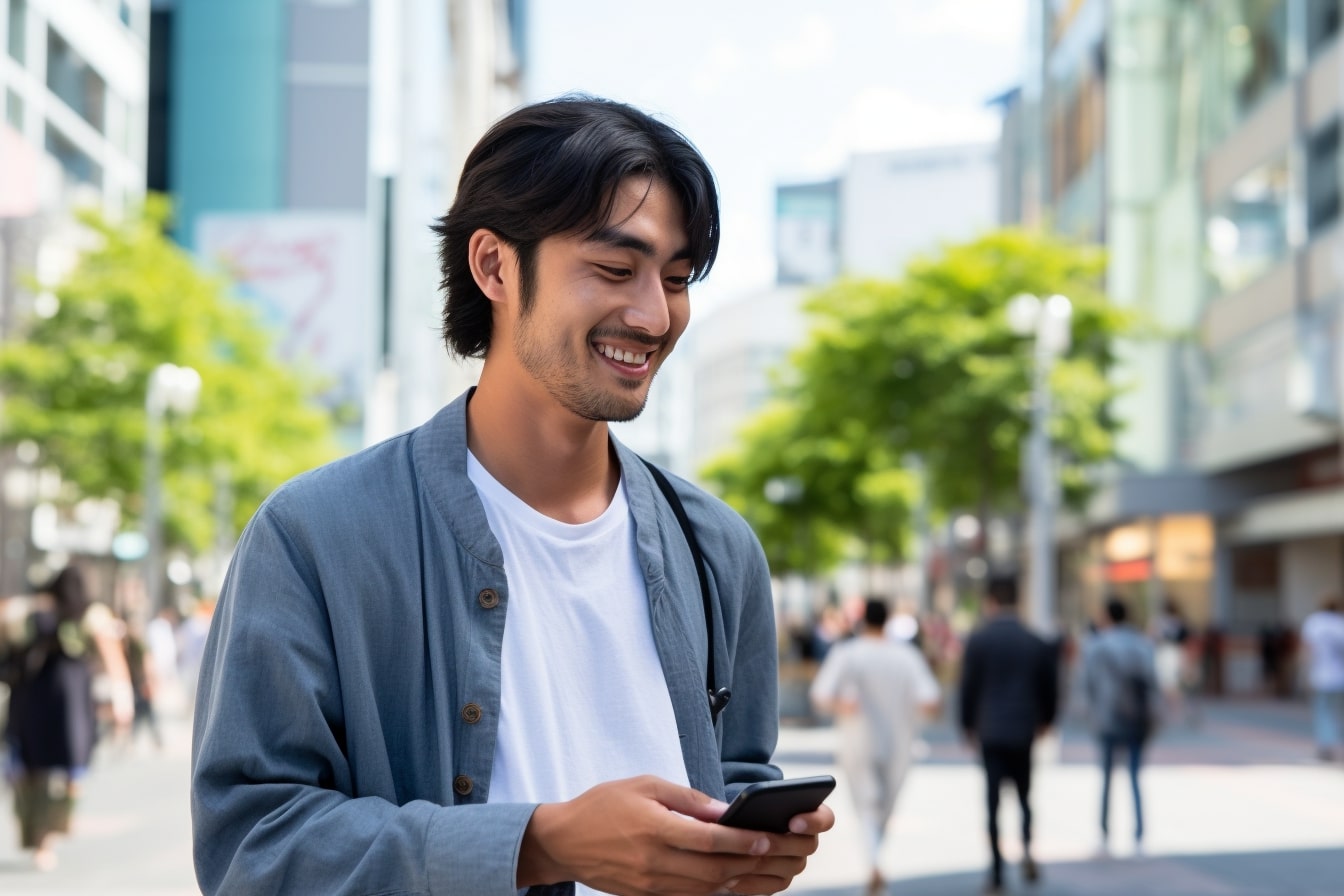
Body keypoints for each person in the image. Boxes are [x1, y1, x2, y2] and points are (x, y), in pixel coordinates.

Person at [190, 95, 834, 896]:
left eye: (675, 279)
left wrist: (748, 846)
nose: (654, 314)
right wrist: (540, 844)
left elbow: (734, 772)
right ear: (494, 265)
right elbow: (253, 846)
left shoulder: (717, 546)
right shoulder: (315, 535)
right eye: (613, 269)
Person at [1, 565, 132, 870]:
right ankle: (54, 830)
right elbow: (112, 658)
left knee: (29, 769)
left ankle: (35, 837)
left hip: (28, 701)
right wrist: (123, 702)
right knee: (71, 768)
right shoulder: (90, 615)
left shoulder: (28, 613)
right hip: (70, 703)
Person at [810, 597, 940, 896]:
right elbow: (930, 699)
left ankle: (874, 860)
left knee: (866, 804)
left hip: (858, 740)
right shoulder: (906, 656)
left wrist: (844, 705)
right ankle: (876, 859)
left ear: (863, 620)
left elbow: (821, 693)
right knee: (884, 806)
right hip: (900, 742)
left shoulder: (847, 653)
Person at [958, 575, 1058, 895]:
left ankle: (997, 872)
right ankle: (1027, 849)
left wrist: (967, 725)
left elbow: (968, 688)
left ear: (991, 601)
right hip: (1024, 729)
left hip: (990, 730)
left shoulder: (979, 639)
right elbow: (1050, 687)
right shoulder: (1035, 640)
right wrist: (1046, 721)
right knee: (1026, 796)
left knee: (992, 801)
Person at [1083, 595, 1159, 859]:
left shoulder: (1097, 646)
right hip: (1136, 718)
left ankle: (1104, 836)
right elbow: (1152, 682)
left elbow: (1087, 685)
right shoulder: (1142, 644)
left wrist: (1090, 714)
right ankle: (1139, 836)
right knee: (1135, 778)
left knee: (1106, 779)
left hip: (1107, 719)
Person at [1299, 596, 1344, 762]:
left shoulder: (1314, 622)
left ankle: (1326, 745)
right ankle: (1332, 743)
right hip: (1339, 676)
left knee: (1322, 712)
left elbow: (1307, 650)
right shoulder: (1340, 623)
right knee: (1334, 711)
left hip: (1320, 675)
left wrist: (1304, 673)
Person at [1152, 598, 1192, 723]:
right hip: (1174, 653)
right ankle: (1175, 711)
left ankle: (1172, 711)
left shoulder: (1160, 622)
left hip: (1166, 653)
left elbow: (1151, 637)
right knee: (1172, 684)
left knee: (1168, 684)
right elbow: (1185, 641)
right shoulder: (1177, 622)